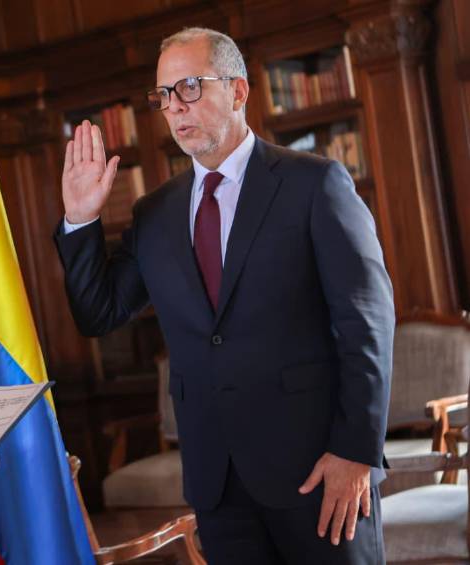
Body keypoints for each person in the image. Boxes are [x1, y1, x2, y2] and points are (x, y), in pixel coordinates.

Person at [55, 27, 394, 564]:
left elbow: (367, 324)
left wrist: (356, 452)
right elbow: (99, 312)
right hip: (218, 484)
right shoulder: (154, 214)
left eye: (190, 87)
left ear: (238, 92)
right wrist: (81, 218)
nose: (175, 107)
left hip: (319, 472)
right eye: (165, 95)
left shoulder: (315, 185)